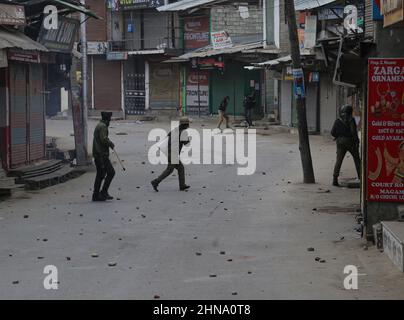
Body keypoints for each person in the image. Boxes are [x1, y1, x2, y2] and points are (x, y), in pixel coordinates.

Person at [151, 117, 191, 192]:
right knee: (169, 170)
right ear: (186, 124)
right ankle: (155, 181)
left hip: (169, 151)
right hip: (173, 153)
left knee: (180, 168)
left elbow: (167, 136)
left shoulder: (175, 129)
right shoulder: (183, 132)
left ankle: (182, 185)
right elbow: (187, 144)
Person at [331, 105, 361, 187]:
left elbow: (332, 132)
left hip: (340, 142)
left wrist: (339, 135)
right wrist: (357, 141)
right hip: (350, 142)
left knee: (339, 161)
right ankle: (361, 177)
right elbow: (353, 132)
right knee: (357, 159)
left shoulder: (337, 120)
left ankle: (334, 179)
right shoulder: (351, 120)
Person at [92, 112, 116, 201]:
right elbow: (103, 139)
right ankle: (103, 192)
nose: (110, 121)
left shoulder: (100, 125)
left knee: (100, 174)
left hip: (98, 154)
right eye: (109, 119)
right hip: (101, 155)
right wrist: (110, 143)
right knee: (111, 172)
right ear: (107, 119)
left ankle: (96, 195)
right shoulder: (103, 127)